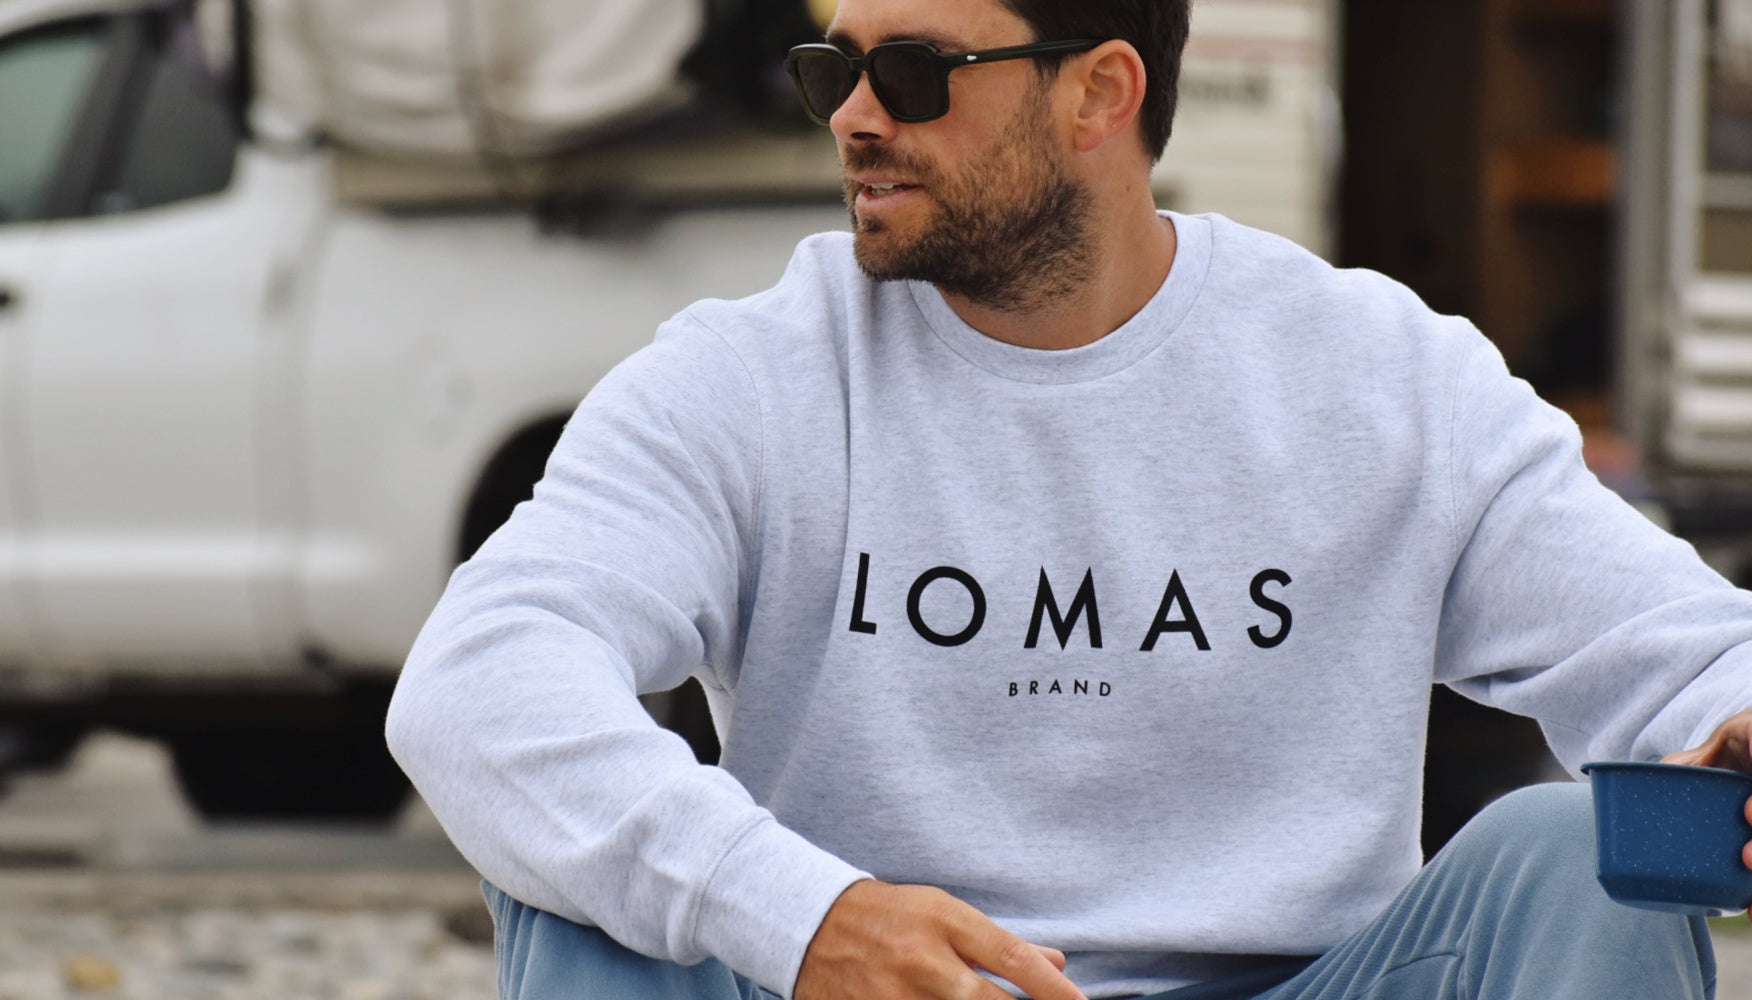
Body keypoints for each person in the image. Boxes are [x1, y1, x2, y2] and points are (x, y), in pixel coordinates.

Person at [386, 0, 1752, 996]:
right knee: (577, 885)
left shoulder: (1371, 374)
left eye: (916, 73)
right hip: (879, 985)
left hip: (1299, 987)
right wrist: (803, 915)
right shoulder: (751, 374)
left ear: (1101, 94)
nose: (856, 117)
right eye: (834, 69)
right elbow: (480, 683)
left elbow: (1683, 651)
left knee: (1575, 853)